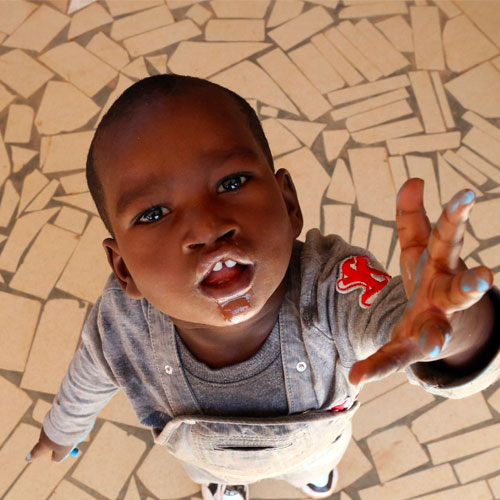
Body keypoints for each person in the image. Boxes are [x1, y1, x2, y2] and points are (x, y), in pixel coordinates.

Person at [26, 75, 500, 500]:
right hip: (206, 454)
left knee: (316, 462)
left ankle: (311, 477)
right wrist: (61, 431)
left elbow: (404, 321)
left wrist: (456, 322)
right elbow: (87, 378)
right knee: (207, 467)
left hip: (316, 444)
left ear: (289, 203)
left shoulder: (332, 283)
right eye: (153, 213)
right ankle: (225, 482)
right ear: (123, 269)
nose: (207, 227)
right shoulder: (120, 326)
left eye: (231, 181)